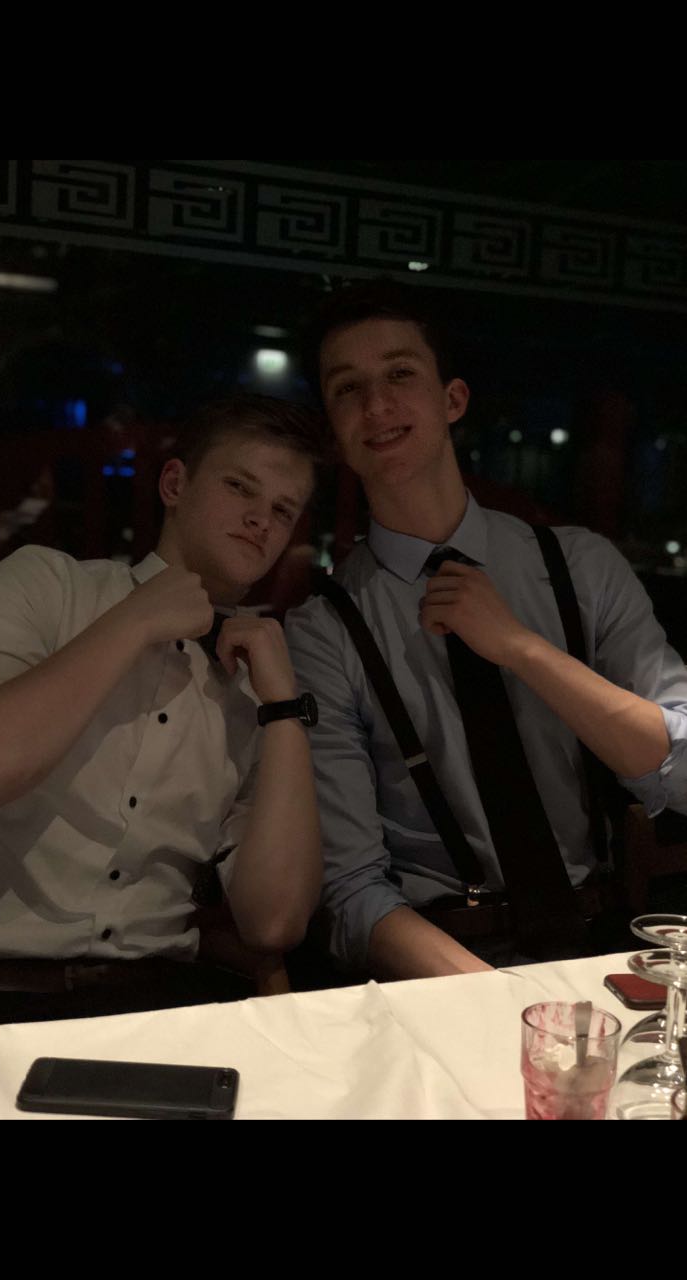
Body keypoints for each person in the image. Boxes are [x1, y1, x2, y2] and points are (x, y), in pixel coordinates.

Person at [286, 282, 687, 982]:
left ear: (453, 400)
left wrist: (521, 648)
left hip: (602, 941)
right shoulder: (324, 627)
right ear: (333, 430)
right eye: (347, 389)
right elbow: (351, 891)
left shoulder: (579, 566)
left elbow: (680, 773)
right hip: (441, 965)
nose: (376, 405)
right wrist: (498, 1003)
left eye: (400, 374)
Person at [0, 395, 323, 1026]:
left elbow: (274, 922)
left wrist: (285, 711)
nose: (259, 519)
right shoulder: (47, 586)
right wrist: (134, 621)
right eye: (240, 487)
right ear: (175, 483)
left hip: (163, 1006)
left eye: (282, 510)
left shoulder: (256, 687)